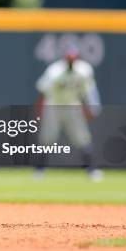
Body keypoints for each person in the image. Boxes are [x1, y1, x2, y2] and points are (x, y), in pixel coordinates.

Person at [34, 47, 103, 181]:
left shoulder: (84, 70)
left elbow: (89, 90)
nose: (71, 61)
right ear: (65, 58)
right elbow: (43, 91)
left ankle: (90, 170)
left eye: (73, 58)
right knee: (47, 138)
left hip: (72, 105)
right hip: (54, 105)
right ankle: (39, 169)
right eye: (69, 58)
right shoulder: (54, 71)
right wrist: (40, 108)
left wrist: (93, 107)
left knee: (82, 138)